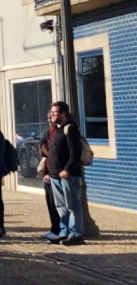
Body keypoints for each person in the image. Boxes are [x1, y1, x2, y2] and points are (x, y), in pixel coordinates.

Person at [44, 101, 85, 245]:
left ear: (63, 114)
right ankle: (64, 232)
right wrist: (49, 172)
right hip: (55, 175)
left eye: (55, 113)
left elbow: (75, 152)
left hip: (68, 175)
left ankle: (76, 234)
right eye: (52, 113)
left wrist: (67, 169)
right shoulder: (55, 131)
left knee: (72, 205)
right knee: (61, 206)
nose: (52, 115)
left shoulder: (70, 129)